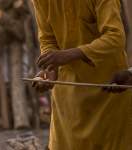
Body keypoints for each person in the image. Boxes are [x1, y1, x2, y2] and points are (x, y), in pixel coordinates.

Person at [31, 0, 132, 149]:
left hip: (110, 90)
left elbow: (115, 37)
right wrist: (51, 69)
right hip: (68, 99)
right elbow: (47, 39)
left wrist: (73, 54)